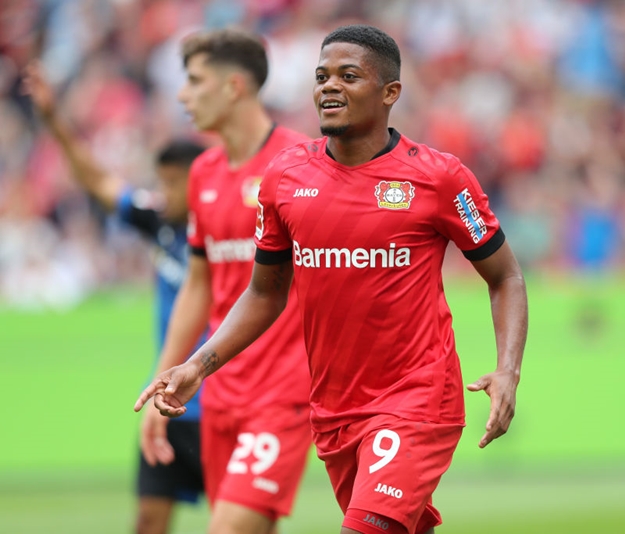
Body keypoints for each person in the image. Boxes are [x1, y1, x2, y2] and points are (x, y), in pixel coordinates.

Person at [135, 24, 528, 534]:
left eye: (348, 76)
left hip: (416, 398)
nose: (329, 87)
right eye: (322, 76)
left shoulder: (438, 178)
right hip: (334, 408)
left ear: (390, 92)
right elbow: (264, 293)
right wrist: (198, 365)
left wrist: (508, 370)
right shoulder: (286, 178)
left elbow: (505, 276)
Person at [139, 28, 313, 534]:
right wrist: (163, 378)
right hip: (218, 393)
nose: (182, 95)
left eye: (194, 81)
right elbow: (198, 285)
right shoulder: (204, 173)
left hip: (282, 392)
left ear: (233, 87)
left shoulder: (302, 164)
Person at [22, 62, 206, 534]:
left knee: (238, 522)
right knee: (148, 520)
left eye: (173, 183)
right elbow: (98, 181)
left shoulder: (234, 229)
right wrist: (53, 120)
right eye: (161, 182)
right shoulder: (160, 222)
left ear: (202, 183)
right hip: (167, 398)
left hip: (227, 400)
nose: (163, 193)